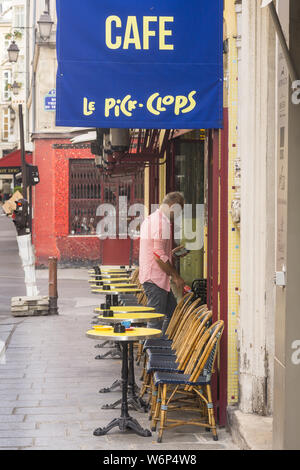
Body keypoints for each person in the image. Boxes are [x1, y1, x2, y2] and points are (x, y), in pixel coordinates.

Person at [139, 192, 186, 331]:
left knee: (171, 314)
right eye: (179, 211)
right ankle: (152, 349)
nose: (179, 215)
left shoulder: (151, 219)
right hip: (156, 279)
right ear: (172, 207)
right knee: (155, 322)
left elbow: (156, 250)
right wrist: (176, 276)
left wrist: (170, 255)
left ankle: (162, 345)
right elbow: (158, 255)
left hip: (153, 277)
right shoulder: (162, 224)